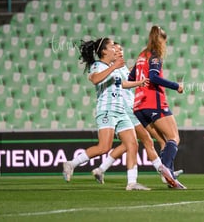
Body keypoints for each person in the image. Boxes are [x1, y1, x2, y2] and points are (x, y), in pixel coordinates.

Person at [62, 37, 150, 191]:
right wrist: (114, 66)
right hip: (107, 110)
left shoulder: (113, 67)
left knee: (133, 144)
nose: (115, 49)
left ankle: (132, 182)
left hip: (121, 111)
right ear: (103, 51)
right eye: (111, 46)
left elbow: (121, 83)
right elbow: (95, 79)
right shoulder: (97, 65)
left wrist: (139, 83)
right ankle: (71, 163)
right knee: (104, 147)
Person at [91, 42, 180, 186]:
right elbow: (117, 82)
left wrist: (139, 71)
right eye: (116, 49)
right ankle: (164, 172)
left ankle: (102, 169)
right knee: (147, 141)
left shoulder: (121, 68)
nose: (119, 51)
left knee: (130, 144)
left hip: (131, 107)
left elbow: (129, 79)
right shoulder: (112, 68)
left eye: (120, 48)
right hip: (127, 108)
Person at [129, 25, 187, 189]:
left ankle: (171, 181)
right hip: (153, 102)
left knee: (163, 142)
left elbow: (131, 76)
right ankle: (166, 170)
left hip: (139, 106)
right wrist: (176, 86)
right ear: (160, 40)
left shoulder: (142, 55)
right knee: (174, 138)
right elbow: (154, 77)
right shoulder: (155, 55)